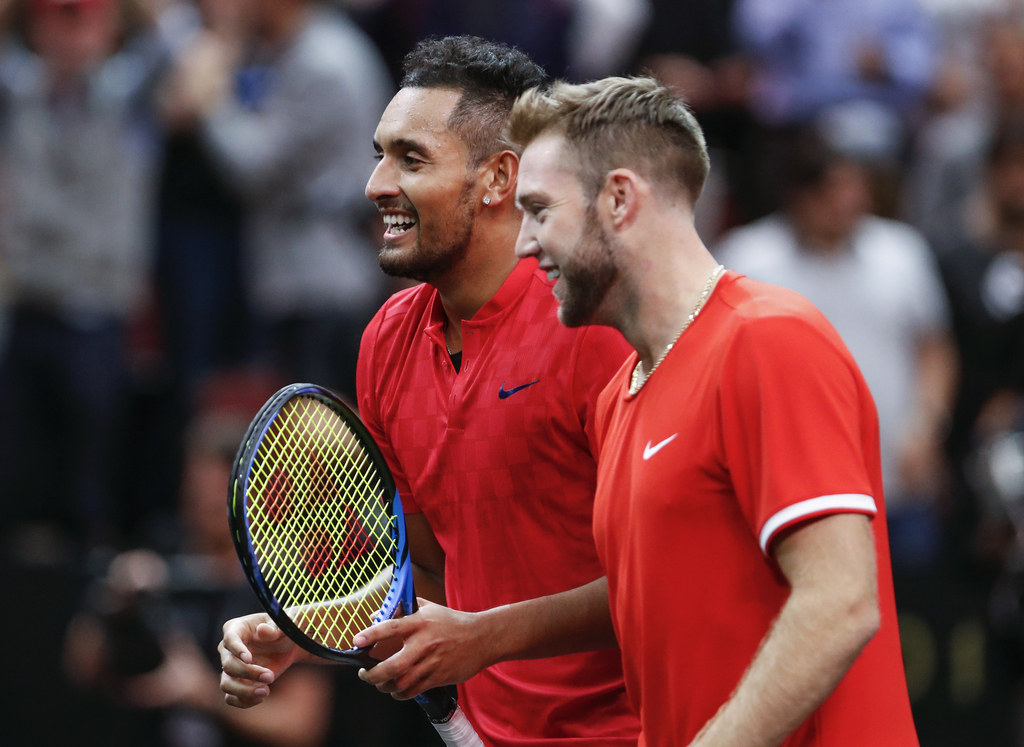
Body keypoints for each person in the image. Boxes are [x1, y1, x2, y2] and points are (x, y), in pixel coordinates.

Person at [218, 37, 640, 747]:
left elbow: (660, 575)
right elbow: (432, 572)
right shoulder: (386, 339)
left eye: (410, 158)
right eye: (379, 154)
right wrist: (304, 629)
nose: (376, 183)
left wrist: (484, 637)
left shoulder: (598, 326)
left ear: (499, 178)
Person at [508, 76, 917, 746]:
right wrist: (480, 636)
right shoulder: (620, 395)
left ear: (617, 199)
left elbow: (841, 601)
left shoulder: (766, 339)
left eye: (539, 209)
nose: (525, 243)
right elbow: (654, 598)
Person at [715, 133, 956, 570]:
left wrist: (928, 428)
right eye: (831, 189)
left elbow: (934, 349)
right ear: (797, 194)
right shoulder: (747, 259)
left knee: (911, 612)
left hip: (898, 471)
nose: (847, 200)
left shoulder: (901, 252)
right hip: (789, 483)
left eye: (855, 186)